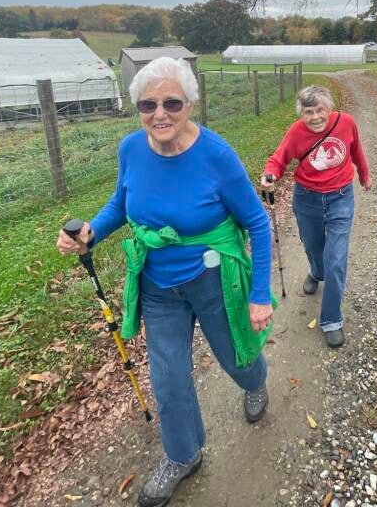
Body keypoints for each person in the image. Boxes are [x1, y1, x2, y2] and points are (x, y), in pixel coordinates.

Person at [57, 57, 275, 507]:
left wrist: (259, 295)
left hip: (214, 278)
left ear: (190, 103)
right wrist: (91, 231)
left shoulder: (216, 154)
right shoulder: (131, 149)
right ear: (137, 108)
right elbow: (122, 202)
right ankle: (183, 455)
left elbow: (257, 220)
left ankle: (255, 382)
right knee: (168, 377)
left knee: (236, 358)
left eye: (172, 102)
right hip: (157, 285)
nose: (160, 114)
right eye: (148, 104)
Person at [260, 85, 370, 348]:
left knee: (336, 259)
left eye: (319, 110)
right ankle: (316, 271)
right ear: (302, 114)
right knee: (313, 246)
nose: (315, 117)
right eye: (308, 112)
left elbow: (356, 151)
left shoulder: (346, 123)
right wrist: (270, 173)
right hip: (307, 199)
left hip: (341, 198)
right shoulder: (297, 132)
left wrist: (364, 175)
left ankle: (331, 319)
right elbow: (280, 157)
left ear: (328, 108)